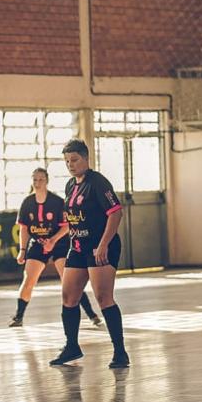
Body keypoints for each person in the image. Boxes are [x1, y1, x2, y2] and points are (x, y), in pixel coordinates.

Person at [50, 139, 130, 369]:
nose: (70, 165)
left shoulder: (98, 182)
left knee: (103, 298)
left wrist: (104, 244)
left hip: (100, 246)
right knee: (68, 297)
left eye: (74, 160)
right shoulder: (69, 186)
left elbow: (115, 213)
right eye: (67, 161)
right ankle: (72, 346)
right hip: (77, 247)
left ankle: (120, 352)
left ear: (86, 159)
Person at [11, 168, 102, 328]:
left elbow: (67, 226)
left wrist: (53, 240)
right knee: (29, 279)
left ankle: (91, 315)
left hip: (59, 243)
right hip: (38, 244)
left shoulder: (57, 202)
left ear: (46, 181)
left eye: (41, 180)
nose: (37, 183)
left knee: (70, 281)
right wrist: (22, 250)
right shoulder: (27, 202)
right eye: (35, 180)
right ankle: (18, 317)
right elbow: (24, 229)